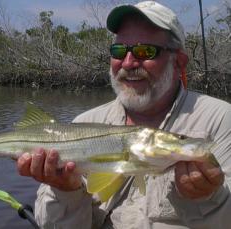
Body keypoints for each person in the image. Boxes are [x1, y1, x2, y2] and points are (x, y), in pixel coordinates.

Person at [16, 1, 231, 228]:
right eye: (119, 50)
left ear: (178, 62)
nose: (128, 62)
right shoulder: (84, 122)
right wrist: (66, 191)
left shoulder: (220, 120)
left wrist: (210, 198)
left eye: (145, 51)